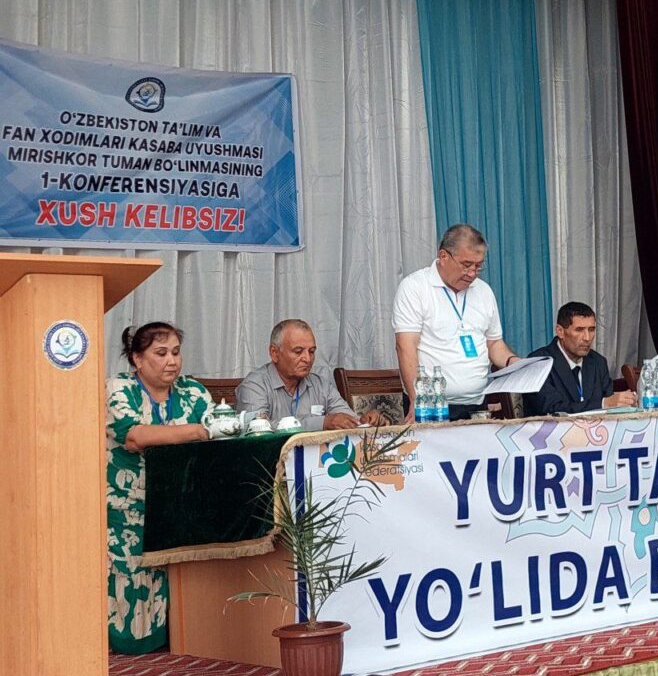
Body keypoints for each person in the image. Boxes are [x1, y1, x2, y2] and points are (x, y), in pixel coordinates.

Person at [105, 322, 213, 654]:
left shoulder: (193, 391)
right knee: (132, 577)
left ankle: (181, 639)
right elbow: (135, 436)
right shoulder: (118, 389)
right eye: (161, 353)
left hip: (179, 502)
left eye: (176, 353)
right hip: (128, 503)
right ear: (137, 359)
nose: (172, 361)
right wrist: (196, 431)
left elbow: (219, 432)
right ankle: (133, 645)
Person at [393, 224, 519, 421]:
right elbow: (405, 346)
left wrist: (513, 362)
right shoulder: (415, 287)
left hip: (478, 404)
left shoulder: (484, 291)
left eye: (478, 266)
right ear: (444, 256)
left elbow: (493, 343)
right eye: (466, 265)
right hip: (432, 406)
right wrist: (417, 400)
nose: (472, 273)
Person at [236, 319, 384, 431]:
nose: (307, 359)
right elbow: (256, 429)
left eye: (311, 351)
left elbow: (348, 420)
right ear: (274, 353)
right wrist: (322, 423)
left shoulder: (320, 385)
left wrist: (366, 421)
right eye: (298, 351)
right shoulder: (254, 385)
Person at [524, 301, 637, 416]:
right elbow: (552, 409)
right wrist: (603, 404)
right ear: (560, 332)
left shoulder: (598, 362)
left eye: (591, 330)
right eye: (579, 330)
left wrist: (624, 402)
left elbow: (610, 403)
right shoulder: (538, 363)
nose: (587, 338)